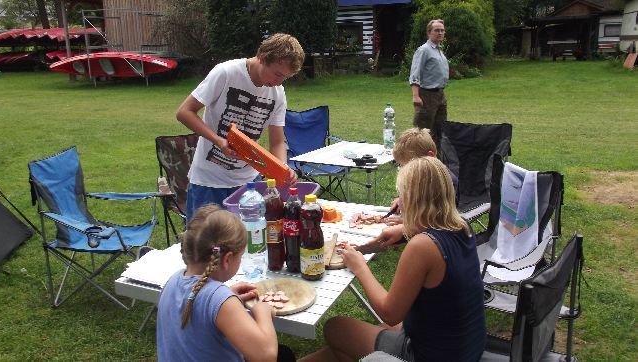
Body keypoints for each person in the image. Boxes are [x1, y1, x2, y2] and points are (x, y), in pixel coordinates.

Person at [301, 157, 485, 361]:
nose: (399, 201)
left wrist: (360, 266)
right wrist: (407, 230)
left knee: (336, 328)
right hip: (464, 347)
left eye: (401, 195)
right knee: (351, 343)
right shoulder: (462, 226)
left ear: (413, 199)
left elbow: (390, 312)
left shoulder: (423, 246)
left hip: (428, 354)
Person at [176, 33, 305, 220]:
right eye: (277, 74)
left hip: (249, 185)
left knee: (247, 244)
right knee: (204, 245)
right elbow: (184, 112)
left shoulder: (278, 93)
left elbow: (277, 141)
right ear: (262, 57)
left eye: (285, 78)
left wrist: (282, 168)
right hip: (209, 181)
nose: (279, 82)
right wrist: (218, 141)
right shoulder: (226, 73)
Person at [157, 204, 293, 361]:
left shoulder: (173, 280)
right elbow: (266, 356)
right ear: (227, 259)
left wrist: (227, 297)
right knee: (284, 356)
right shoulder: (220, 299)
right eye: (241, 256)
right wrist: (262, 313)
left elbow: (199, 312)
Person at [409, 19, 449, 148]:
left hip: (440, 95)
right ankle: (416, 160)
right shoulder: (424, 50)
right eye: (437, 30)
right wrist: (416, 95)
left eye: (442, 30)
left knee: (440, 129)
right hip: (426, 95)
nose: (440, 33)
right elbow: (415, 73)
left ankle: (435, 160)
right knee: (422, 131)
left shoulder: (438, 50)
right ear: (429, 32)